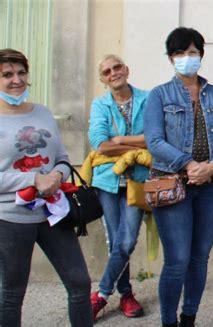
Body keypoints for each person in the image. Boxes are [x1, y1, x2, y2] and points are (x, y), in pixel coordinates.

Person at [144, 27, 213, 327]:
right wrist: (188, 164)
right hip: (172, 184)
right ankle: (168, 321)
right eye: (180, 53)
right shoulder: (159, 95)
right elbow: (154, 140)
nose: (187, 58)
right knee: (177, 261)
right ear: (171, 58)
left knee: (200, 259)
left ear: (201, 55)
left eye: (193, 52)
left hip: (212, 185)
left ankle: (189, 318)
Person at [0, 48, 93, 326]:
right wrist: (33, 179)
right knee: (12, 294)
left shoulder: (42, 112)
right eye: (6, 75)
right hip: (10, 218)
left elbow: (63, 158)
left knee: (80, 284)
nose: (16, 80)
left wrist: (55, 175)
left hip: (52, 213)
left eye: (20, 73)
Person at [88, 54, 149, 320]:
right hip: (108, 181)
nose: (113, 72)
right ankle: (125, 294)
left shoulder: (147, 99)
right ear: (103, 79)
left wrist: (121, 139)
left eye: (117, 67)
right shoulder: (100, 105)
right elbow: (101, 144)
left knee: (127, 239)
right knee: (116, 242)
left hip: (138, 179)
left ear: (126, 69)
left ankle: (101, 294)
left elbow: (155, 138)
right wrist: (138, 143)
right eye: (107, 71)